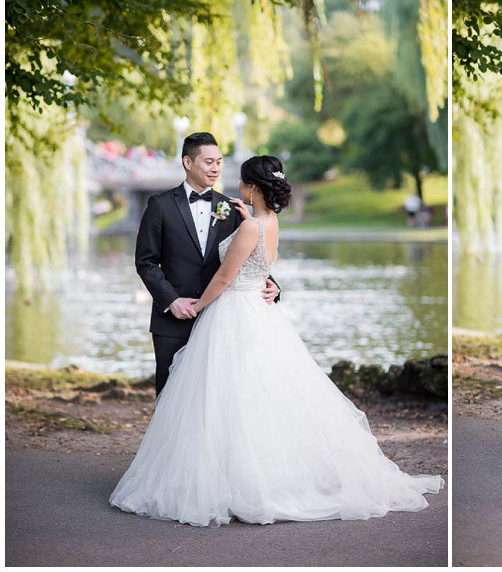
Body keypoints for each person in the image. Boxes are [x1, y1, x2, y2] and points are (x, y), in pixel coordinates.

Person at [111, 155, 443, 525]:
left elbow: (224, 278)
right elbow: (261, 267)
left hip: (232, 311)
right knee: (258, 398)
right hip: (257, 311)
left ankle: (234, 481)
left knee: (228, 399)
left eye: (239, 178)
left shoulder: (251, 226)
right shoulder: (268, 222)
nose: (232, 180)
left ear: (252, 186)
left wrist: (198, 305)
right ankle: (248, 475)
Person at [134, 132, 280, 396]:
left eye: (219, 162)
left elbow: (249, 256)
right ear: (188, 163)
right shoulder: (160, 205)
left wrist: (273, 285)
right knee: (170, 398)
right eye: (208, 162)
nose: (215, 169)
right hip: (173, 320)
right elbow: (145, 262)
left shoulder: (233, 208)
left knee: (217, 399)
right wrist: (171, 301)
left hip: (223, 319)